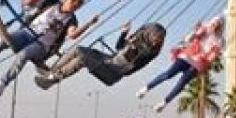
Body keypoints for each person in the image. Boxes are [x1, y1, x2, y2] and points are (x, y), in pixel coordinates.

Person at [0, 0, 98, 96]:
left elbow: (72, 34)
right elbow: (27, 2)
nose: (76, 4)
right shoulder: (51, 2)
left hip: (42, 46)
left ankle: (3, 82)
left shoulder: (72, 20)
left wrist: (89, 24)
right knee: (2, 41)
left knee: (24, 54)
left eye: (79, 3)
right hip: (27, 33)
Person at [35, 21, 166, 89]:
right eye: (155, 35)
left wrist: (134, 48)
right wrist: (124, 33)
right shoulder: (137, 40)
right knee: (78, 50)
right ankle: (51, 72)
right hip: (110, 60)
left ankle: (53, 79)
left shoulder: (149, 52)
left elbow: (136, 62)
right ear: (148, 33)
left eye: (159, 38)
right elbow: (118, 47)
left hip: (114, 70)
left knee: (82, 57)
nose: (156, 39)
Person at [137, 16, 224, 112]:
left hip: (197, 64)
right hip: (187, 56)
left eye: (217, 25)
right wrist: (195, 33)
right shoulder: (203, 29)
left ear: (220, 27)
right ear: (211, 23)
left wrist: (205, 60)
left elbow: (212, 57)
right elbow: (188, 39)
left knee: (181, 83)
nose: (214, 26)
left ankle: (164, 103)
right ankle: (146, 88)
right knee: (168, 74)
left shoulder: (219, 41)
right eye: (214, 24)